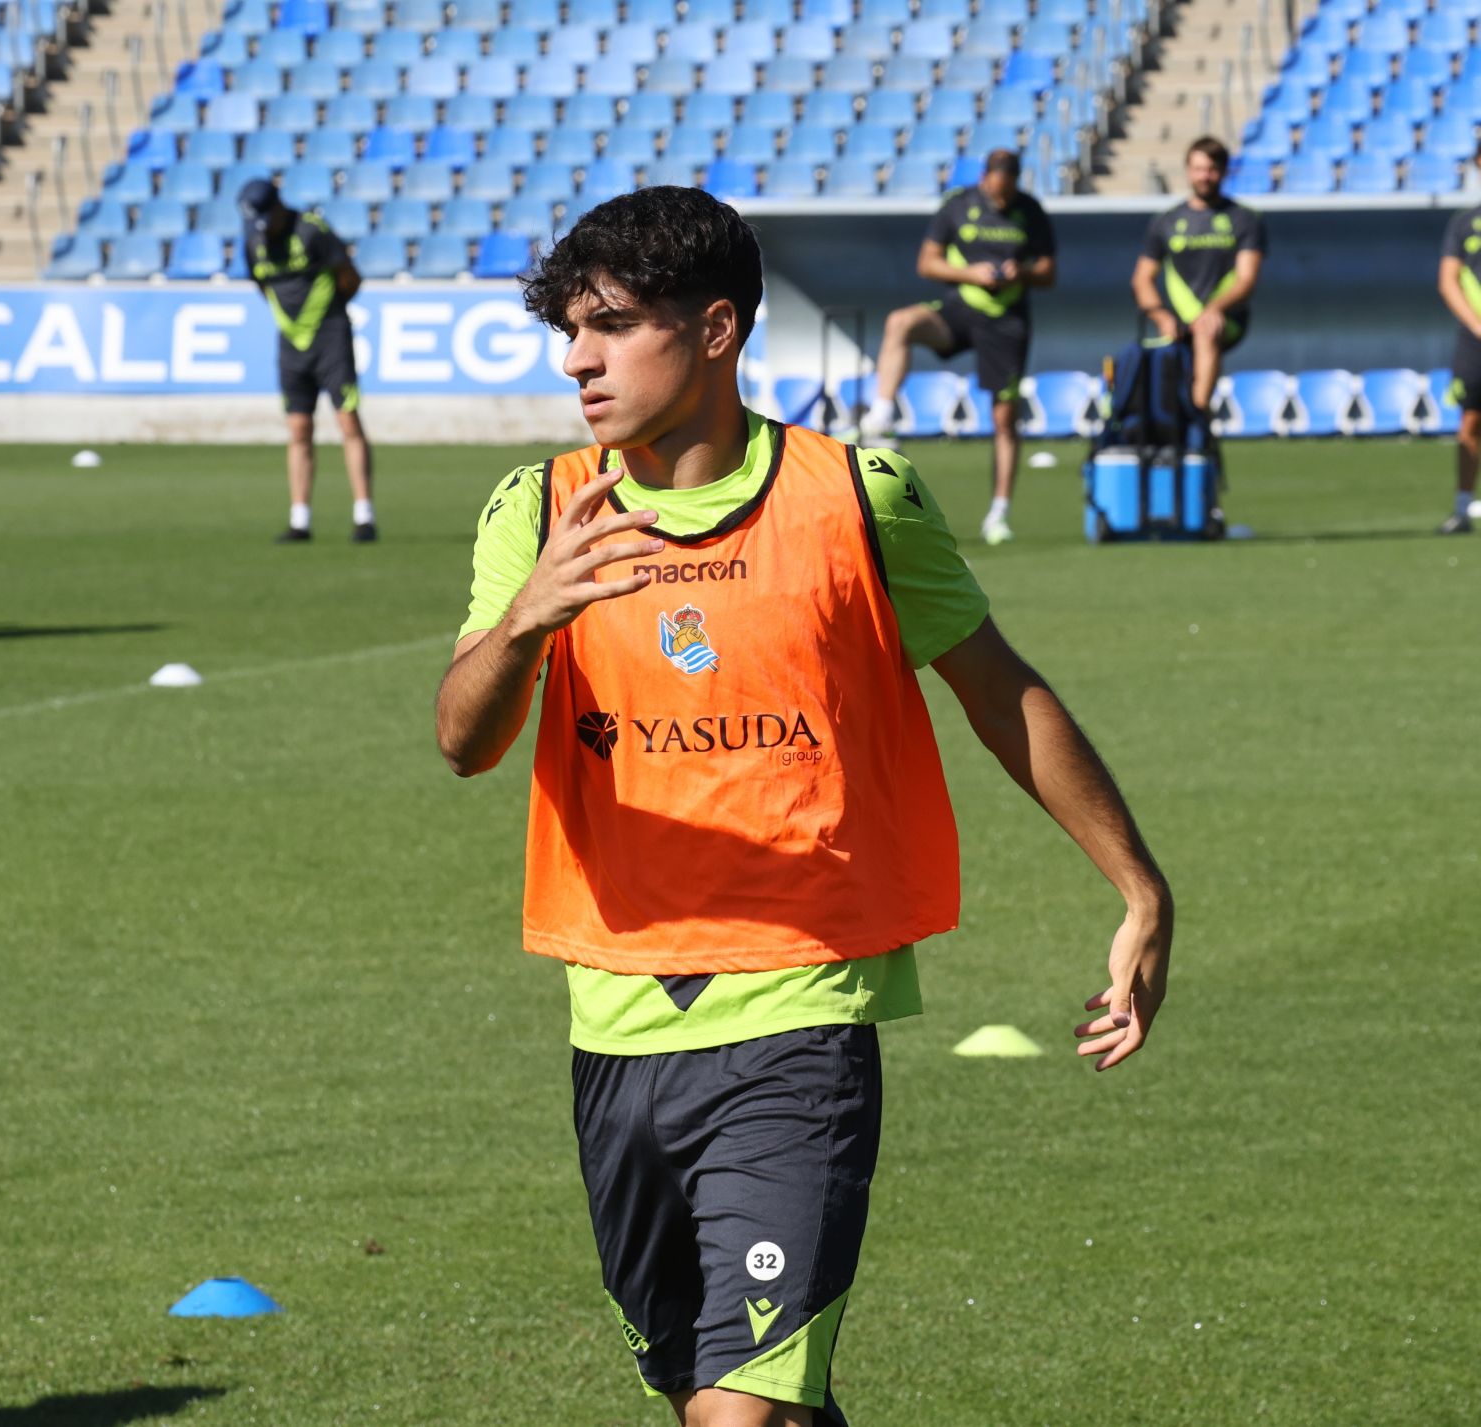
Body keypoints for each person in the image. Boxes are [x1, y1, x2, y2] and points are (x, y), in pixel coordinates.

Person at [434, 187, 1173, 1427]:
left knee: (745, 1411)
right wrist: (525, 621)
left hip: (801, 1013)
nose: (578, 358)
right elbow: (465, 740)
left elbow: (1001, 693)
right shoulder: (542, 508)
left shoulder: (854, 498)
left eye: (612, 323)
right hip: (615, 1020)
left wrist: (1141, 887)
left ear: (716, 328)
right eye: (569, 328)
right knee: (733, 1395)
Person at [856, 150, 1056, 546]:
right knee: (901, 322)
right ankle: (881, 415)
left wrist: (1025, 271)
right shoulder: (959, 205)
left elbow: (1049, 272)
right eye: (995, 190)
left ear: (1016, 181)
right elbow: (927, 263)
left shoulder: (1031, 211)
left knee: (1004, 419)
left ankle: (999, 512)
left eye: (1007, 192)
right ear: (985, 178)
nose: (1000, 199)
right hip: (960, 307)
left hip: (1007, 320)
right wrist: (971, 273)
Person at [236, 178, 376, 544]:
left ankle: (364, 515)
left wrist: (326, 315)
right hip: (290, 343)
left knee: (348, 421)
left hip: (330, 337)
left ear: (280, 205)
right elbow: (263, 287)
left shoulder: (312, 232)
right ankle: (300, 519)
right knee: (298, 429)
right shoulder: (253, 241)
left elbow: (349, 278)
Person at [1130, 137, 1267, 420]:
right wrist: (1161, 316)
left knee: (1206, 329)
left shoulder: (1244, 219)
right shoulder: (1166, 221)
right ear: (1188, 170)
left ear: (1225, 171)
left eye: (1211, 169)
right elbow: (1142, 279)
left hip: (1227, 318)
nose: (1205, 176)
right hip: (1177, 321)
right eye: (1198, 169)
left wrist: (1215, 309)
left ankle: (1197, 413)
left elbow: (1246, 278)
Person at [1434, 149, 1481, 534]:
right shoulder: (1465, 224)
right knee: (1470, 420)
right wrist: (1478, 326)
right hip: (1475, 337)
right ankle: (1462, 508)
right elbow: (1448, 279)